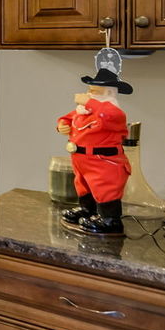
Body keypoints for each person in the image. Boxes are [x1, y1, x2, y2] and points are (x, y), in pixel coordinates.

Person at [55, 68, 132, 235]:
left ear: (109, 93)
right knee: (83, 185)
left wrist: (90, 102)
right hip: (81, 159)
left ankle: (110, 219)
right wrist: (61, 124)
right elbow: (67, 117)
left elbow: (108, 114)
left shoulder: (112, 112)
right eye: (89, 90)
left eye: (94, 91)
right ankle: (87, 210)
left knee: (105, 188)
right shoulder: (84, 110)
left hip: (103, 161)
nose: (89, 94)